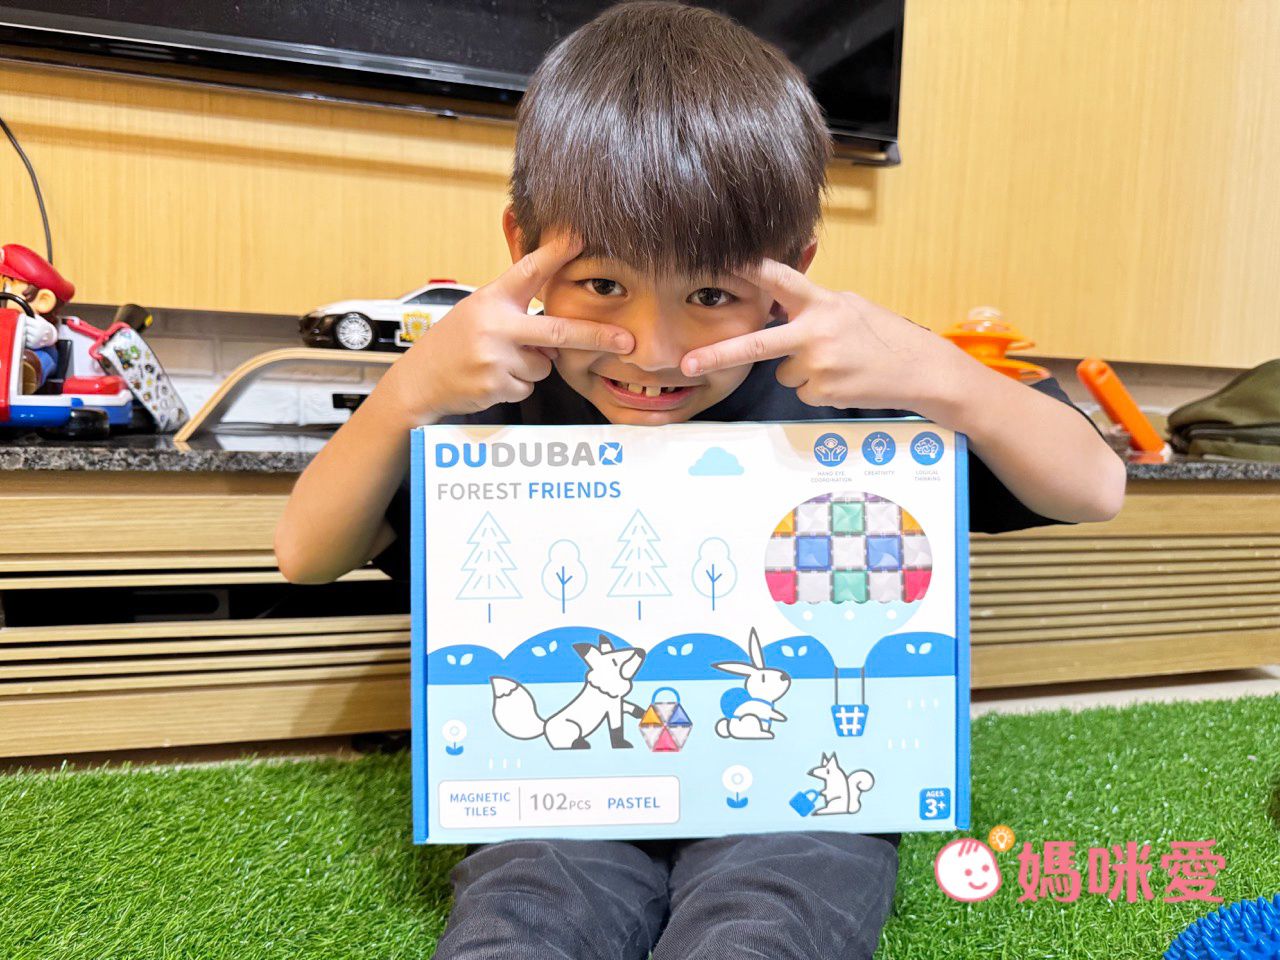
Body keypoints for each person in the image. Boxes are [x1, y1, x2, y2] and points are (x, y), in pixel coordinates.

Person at [275, 4, 1126, 957]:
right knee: (525, 911)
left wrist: (939, 373)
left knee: (768, 919)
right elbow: (306, 554)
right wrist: (406, 392)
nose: (655, 350)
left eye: (711, 295)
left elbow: (1094, 486)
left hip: (802, 790)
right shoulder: (494, 404)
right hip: (565, 793)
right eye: (605, 285)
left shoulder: (853, 389)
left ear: (792, 271)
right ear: (523, 249)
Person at [0, 243, 73, 394]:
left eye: (6, 289)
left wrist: (45, 334)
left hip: (34, 353)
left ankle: (28, 373)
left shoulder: (35, 323)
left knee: (42, 358)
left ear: (43, 300)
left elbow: (49, 334)